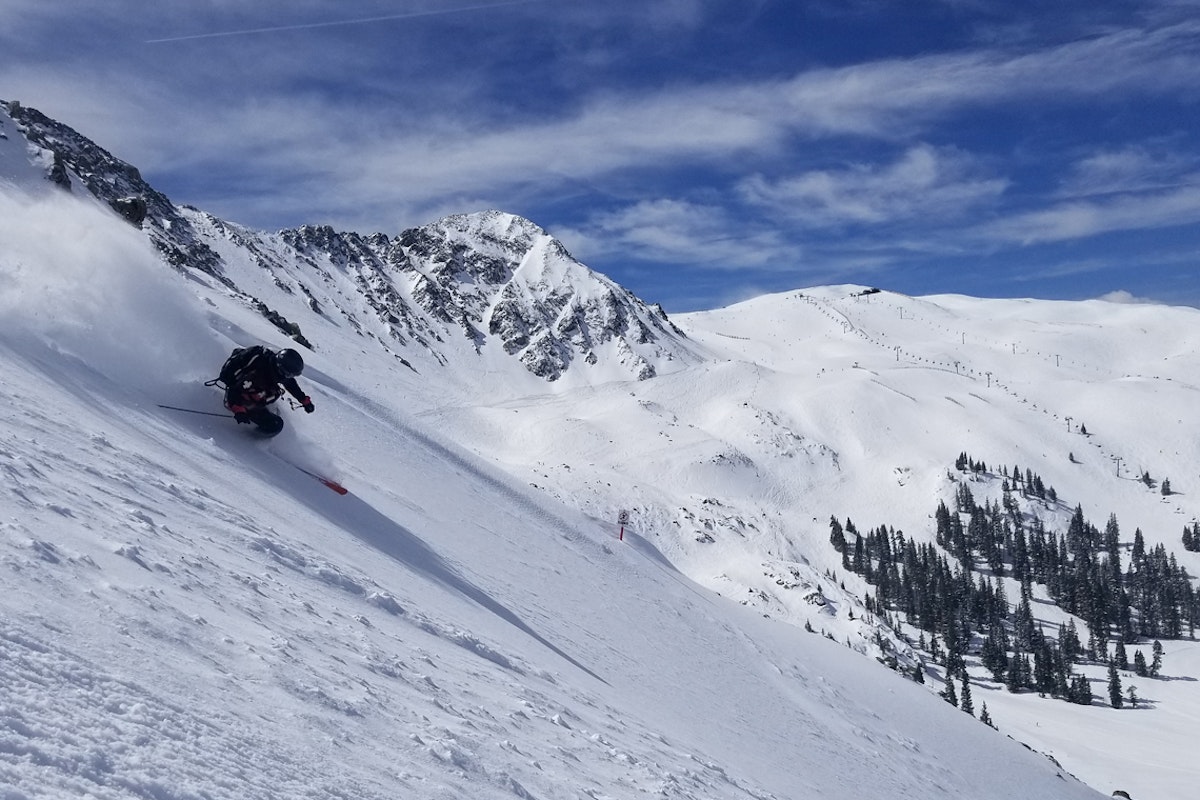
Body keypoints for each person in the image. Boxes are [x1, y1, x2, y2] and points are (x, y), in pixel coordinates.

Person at [216, 345, 314, 436]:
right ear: (281, 369)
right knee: (275, 426)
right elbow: (234, 387)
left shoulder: (275, 368)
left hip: (248, 391)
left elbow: (289, 383)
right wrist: (238, 409)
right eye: (289, 374)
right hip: (236, 398)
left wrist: (304, 400)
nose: (289, 377)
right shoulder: (257, 371)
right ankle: (246, 439)